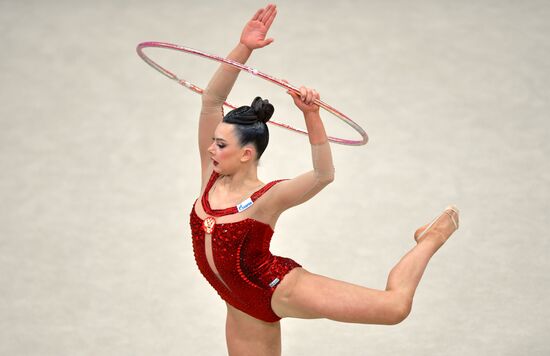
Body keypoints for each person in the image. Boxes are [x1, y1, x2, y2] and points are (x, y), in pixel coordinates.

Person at [189, 4, 459, 355]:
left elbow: (322, 175)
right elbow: (212, 100)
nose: (210, 148)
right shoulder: (211, 175)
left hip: (273, 288)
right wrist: (245, 49)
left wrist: (312, 116)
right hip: (238, 303)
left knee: (394, 308)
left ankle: (430, 238)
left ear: (246, 154)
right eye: (213, 141)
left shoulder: (267, 198)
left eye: (220, 144)